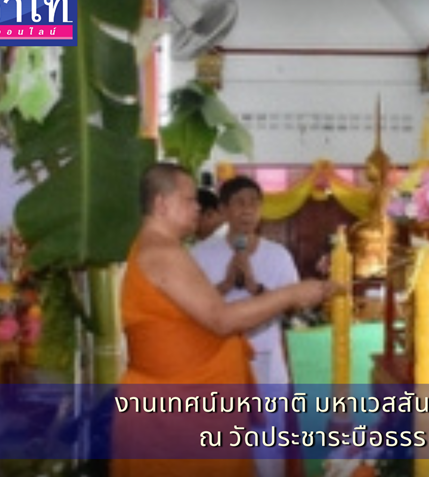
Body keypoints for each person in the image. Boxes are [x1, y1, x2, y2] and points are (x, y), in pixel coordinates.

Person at [111, 162, 337, 477]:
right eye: (189, 199)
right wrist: (290, 294)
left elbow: (201, 314)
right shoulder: (163, 252)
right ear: (161, 204)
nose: (197, 207)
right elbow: (221, 319)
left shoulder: (159, 248)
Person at [190, 175, 299, 477]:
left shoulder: (278, 256)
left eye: (254, 203)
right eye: (239, 203)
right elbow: (188, 310)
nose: (247, 210)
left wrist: (256, 288)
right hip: (216, 362)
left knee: (268, 450)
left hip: (264, 361)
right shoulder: (201, 255)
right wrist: (224, 286)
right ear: (223, 210)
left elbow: (293, 308)